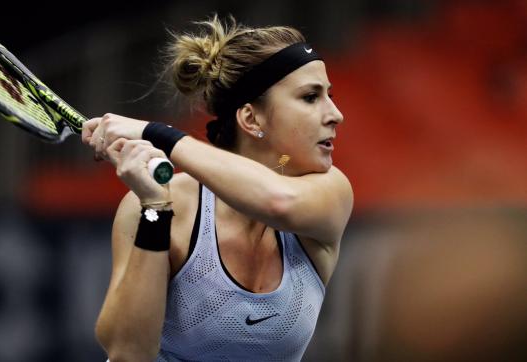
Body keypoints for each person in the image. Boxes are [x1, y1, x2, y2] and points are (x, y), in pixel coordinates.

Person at [82, 15, 353, 362]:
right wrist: (155, 209)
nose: (336, 114)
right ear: (251, 119)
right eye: (311, 97)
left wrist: (159, 134)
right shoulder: (160, 204)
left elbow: (276, 201)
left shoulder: (331, 193)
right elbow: (128, 352)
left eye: (330, 95)